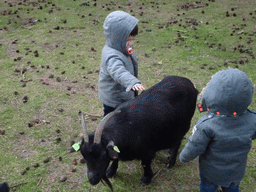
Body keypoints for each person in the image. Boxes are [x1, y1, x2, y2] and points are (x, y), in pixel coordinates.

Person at [179, 68, 256, 192]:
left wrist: (184, 157)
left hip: (211, 173)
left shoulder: (206, 125)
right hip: (235, 171)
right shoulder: (253, 119)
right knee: (232, 188)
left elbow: (195, 145)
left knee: (207, 187)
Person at [98, 11, 145, 116]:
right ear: (117, 38)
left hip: (124, 94)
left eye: (132, 39)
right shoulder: (111, 55)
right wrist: (132, 82)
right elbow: (118, 71)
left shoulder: (123, 47)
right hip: (114, 99)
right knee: (111, 121)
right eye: (128, 40)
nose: (131, 43)